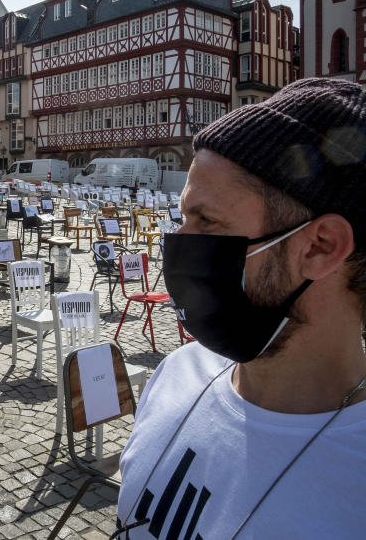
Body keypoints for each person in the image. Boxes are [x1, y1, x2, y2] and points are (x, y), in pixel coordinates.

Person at [116, 78, 366, 538]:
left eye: (207, 220)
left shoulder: (353, 494)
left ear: (321, 246)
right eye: (183, 217)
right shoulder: (176, 375)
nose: (178, 245)